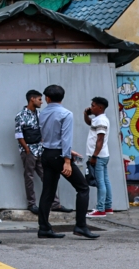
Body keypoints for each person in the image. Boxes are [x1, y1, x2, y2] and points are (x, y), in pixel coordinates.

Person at [37, 84, 98, 239]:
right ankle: (80, 226)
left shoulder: (42, 114)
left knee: (48, 192)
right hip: (59, 156)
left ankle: (44, 228)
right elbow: (65, 138)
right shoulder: (66, 114)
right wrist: (67, 160)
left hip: (47, 154)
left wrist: (66, 152)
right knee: (83, 188)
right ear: (62, 98)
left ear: (47, 98)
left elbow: (47, 137)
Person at [15, 89, 65, 214]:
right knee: (29, 177)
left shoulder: (40, 115)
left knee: (47, 177)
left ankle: (55, 203)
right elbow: (19, 135)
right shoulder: (20, 115)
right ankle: (31, 204)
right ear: (32, 99)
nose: (41, 102)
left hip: (40, 150)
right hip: (29, 151)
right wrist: (27, 150)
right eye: (39, 99)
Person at [85, 97, 112, 218]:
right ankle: (108, 207)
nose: (91, 107)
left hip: (99, 156)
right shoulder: (99, 119)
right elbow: (89, 123)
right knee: (105, 181)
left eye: (93, 105)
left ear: (100, 107)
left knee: (100, 182)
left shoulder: (101, 121)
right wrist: (86, 114)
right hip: (103, 155)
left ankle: (100, 209)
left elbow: (100, 140)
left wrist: (94, 156)